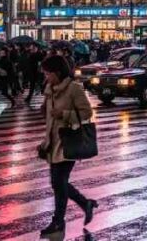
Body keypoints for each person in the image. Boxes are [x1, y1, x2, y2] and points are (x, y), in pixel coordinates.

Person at [37, 55, 97, 235]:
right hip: (53, 142)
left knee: (58, 181)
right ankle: (85, 204)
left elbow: (87, 112)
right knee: (58, 183)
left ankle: (58, 221)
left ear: (57, 72)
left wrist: (64, 114)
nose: (46, 76)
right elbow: (49, 118)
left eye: (48, 73)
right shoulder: (50, 89)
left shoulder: (73, 88)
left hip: (68, 141)